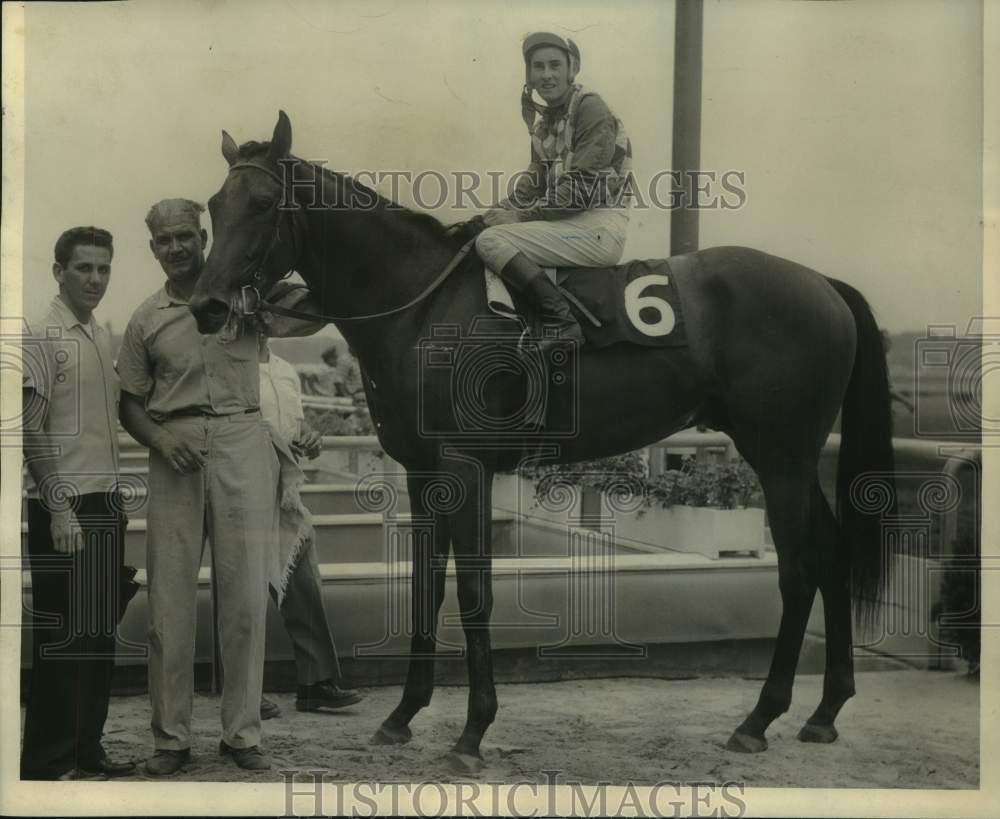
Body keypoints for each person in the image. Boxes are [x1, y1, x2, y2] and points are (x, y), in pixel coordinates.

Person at [116, 199, 323, 776]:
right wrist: (160, 440)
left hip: (241, 439)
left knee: (245, 599)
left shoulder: (245, 297)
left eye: (185, 236)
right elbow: (129, 403)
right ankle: (171, 741)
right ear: (153, 248)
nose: (177, 248)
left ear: (204, 236)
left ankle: (242, 734)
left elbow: (310, 315)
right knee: (169, 603)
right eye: (164, 240)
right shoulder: (144, 318)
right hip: (174, 450)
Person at [20, 227, 135, 780]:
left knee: (96, 639)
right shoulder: (43, 335)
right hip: (65, 508)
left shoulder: (98, 334)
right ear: (58, 270)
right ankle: (48, 763)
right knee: (64, 640)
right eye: (84, 268)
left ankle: (87, 753)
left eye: (103, 269)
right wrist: (60, 508)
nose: (95, 279)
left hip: (104, 503)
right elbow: (30, 428)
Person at [475, 31, 633, 351]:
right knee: (483, 231)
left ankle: (563, 323)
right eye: (538, 67)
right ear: (529, 76)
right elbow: (530, 188)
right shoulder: (544, 124)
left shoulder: (589, 107)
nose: (546, 75)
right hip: (569, 222)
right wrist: (489, 215)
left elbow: (581, 188)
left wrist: (516, 217)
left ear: (571, 69)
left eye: (554, 65)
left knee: (492, 241)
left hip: (599, 225)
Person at [257, 338, 363, 719]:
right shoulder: (228, 369)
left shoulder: (286, 371)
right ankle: (245, 691)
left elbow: (295, 433)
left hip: (287, 492)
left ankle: (314, 684)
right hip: (246, 490)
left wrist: (309, 443)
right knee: (245, 593)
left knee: (303, 582)